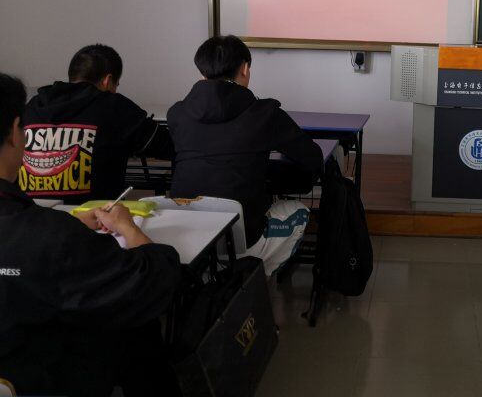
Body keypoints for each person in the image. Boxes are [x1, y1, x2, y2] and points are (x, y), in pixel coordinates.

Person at [0, 73, 182, 396]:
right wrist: (128, 228)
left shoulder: (45, 230)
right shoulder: (49, 237)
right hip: (37, 376)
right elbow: (150, 283)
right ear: (16, 132)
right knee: (135, 328)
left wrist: (63, 226)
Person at [168, 35, 324, 276]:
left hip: (186, 236)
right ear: (244, 68)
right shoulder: (265, 113)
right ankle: (252, 281)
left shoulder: (177, 114)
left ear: (203, 72)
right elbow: (312, 158)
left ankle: (213, 277)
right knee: (299, 212)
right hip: (243, 237)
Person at [19, 43, 173, 202]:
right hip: (96, 215)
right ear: (108, 80)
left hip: (29, 213)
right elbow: (169, 145)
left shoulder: (32, 106)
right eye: (116, 85)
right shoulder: (115, 106)